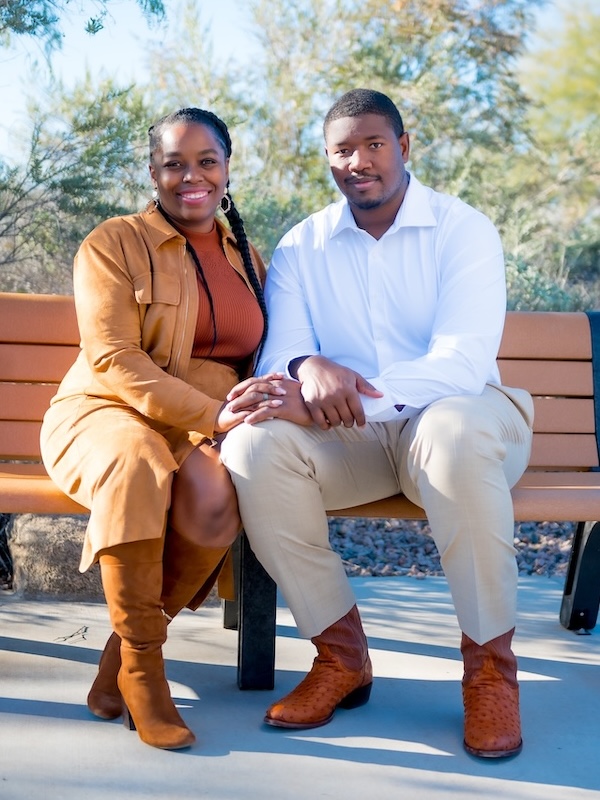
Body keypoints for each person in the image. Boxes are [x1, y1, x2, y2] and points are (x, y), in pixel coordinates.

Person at [220, 88, 534, 759]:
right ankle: (340, 656)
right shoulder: (304, 244)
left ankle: (489, 671)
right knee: (253, 447)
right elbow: (280, 354)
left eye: (373, 145)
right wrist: (309, 365)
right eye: (342, 150)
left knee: (449, 430)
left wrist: (352, 398)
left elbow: (459, 363)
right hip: (355, 439)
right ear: (328, 161)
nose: (358, 161)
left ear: (403, 147)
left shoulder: (463, 229)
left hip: (468, 423)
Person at [40, 107, 303, 750]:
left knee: (218, 496)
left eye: (206, 161)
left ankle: (119, 663)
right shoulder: (114, 243)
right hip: (107, 408)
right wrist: (213, 414)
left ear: (227, 169)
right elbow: (113, 358)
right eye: (174, 164)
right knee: (134, 466)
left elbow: (263, 353)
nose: (192, 176)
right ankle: (146, 673)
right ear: (153, 173)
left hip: (200, 423)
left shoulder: (248, 256)